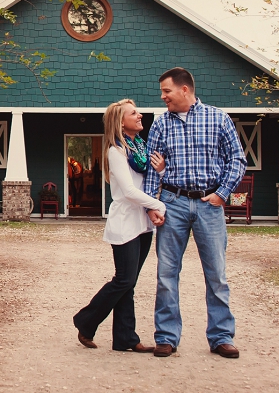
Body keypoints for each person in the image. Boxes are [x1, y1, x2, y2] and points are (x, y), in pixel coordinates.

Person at [143, 67, 246, 359]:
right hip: (173, 203)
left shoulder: (218, 118)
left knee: (216, 275)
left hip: (208, 205)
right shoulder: (162, 124)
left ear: (184, 90)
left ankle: (221, 336)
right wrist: (153, 205)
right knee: (166, 273)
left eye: (166, 91)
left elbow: (237, 160)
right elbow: (153, 168)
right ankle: (166, 337)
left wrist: (222, 193)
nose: (163, 96)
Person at [73, 99, 166, 352]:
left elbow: (145, 183)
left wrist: (160, 171)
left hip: (143, 222)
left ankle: (126, 339)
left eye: (137, 111)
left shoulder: (141, 149)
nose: (139, 115)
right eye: (133, 113)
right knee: (124, 280)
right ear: (120, 122)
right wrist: (160, 206)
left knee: (130, 282)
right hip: (126, 221)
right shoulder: (116, 151)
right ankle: (85, 320)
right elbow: (128, 191)